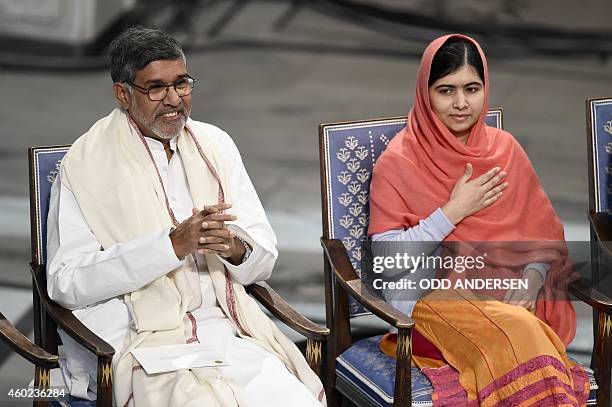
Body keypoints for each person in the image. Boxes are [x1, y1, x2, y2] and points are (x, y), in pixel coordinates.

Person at [46, 26, 325, 407]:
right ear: (123, 94)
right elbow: (67, 283)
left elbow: (262, 262)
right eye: (155, 88)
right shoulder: (85, 165)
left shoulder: (215, 146)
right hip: (140, 339)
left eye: (182, 83)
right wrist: (168, 247)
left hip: (224, 330)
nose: (173, 100)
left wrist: (234, 247)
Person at [368, 34, 589, 405]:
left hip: (506, 301)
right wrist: (453, 211)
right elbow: (387, 262)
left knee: (521, 330)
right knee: (522, 337)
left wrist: (534, 281)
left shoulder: (505, 149)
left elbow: (541, 235)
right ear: (425, 93)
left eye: (472, 89)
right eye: (446, 90)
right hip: (428, 305)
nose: (460, 103)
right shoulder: (399, 162)